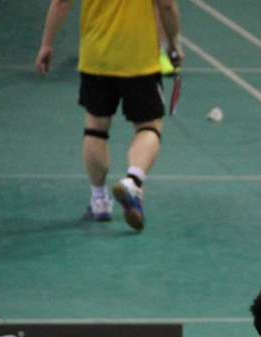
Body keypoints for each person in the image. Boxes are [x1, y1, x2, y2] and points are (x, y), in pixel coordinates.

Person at [35, 0, 183, 231]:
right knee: (149, 126)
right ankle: (133, 181)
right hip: (139, 58)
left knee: (95, 128)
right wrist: (173, 44)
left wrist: (47, 44)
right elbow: (166, 5)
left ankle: (99, 201)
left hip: (96, 57)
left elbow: (61, 2)